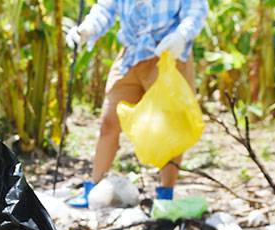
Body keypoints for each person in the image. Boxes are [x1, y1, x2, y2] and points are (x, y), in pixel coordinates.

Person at [65, 0, 209, 208]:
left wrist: (182, 35)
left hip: (168, 52)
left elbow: (195, 9)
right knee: (109, 121)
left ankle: (165, 196)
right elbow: (105, 8)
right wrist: (87, 29)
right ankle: (94, 190)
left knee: (171, 127)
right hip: (132, 53)